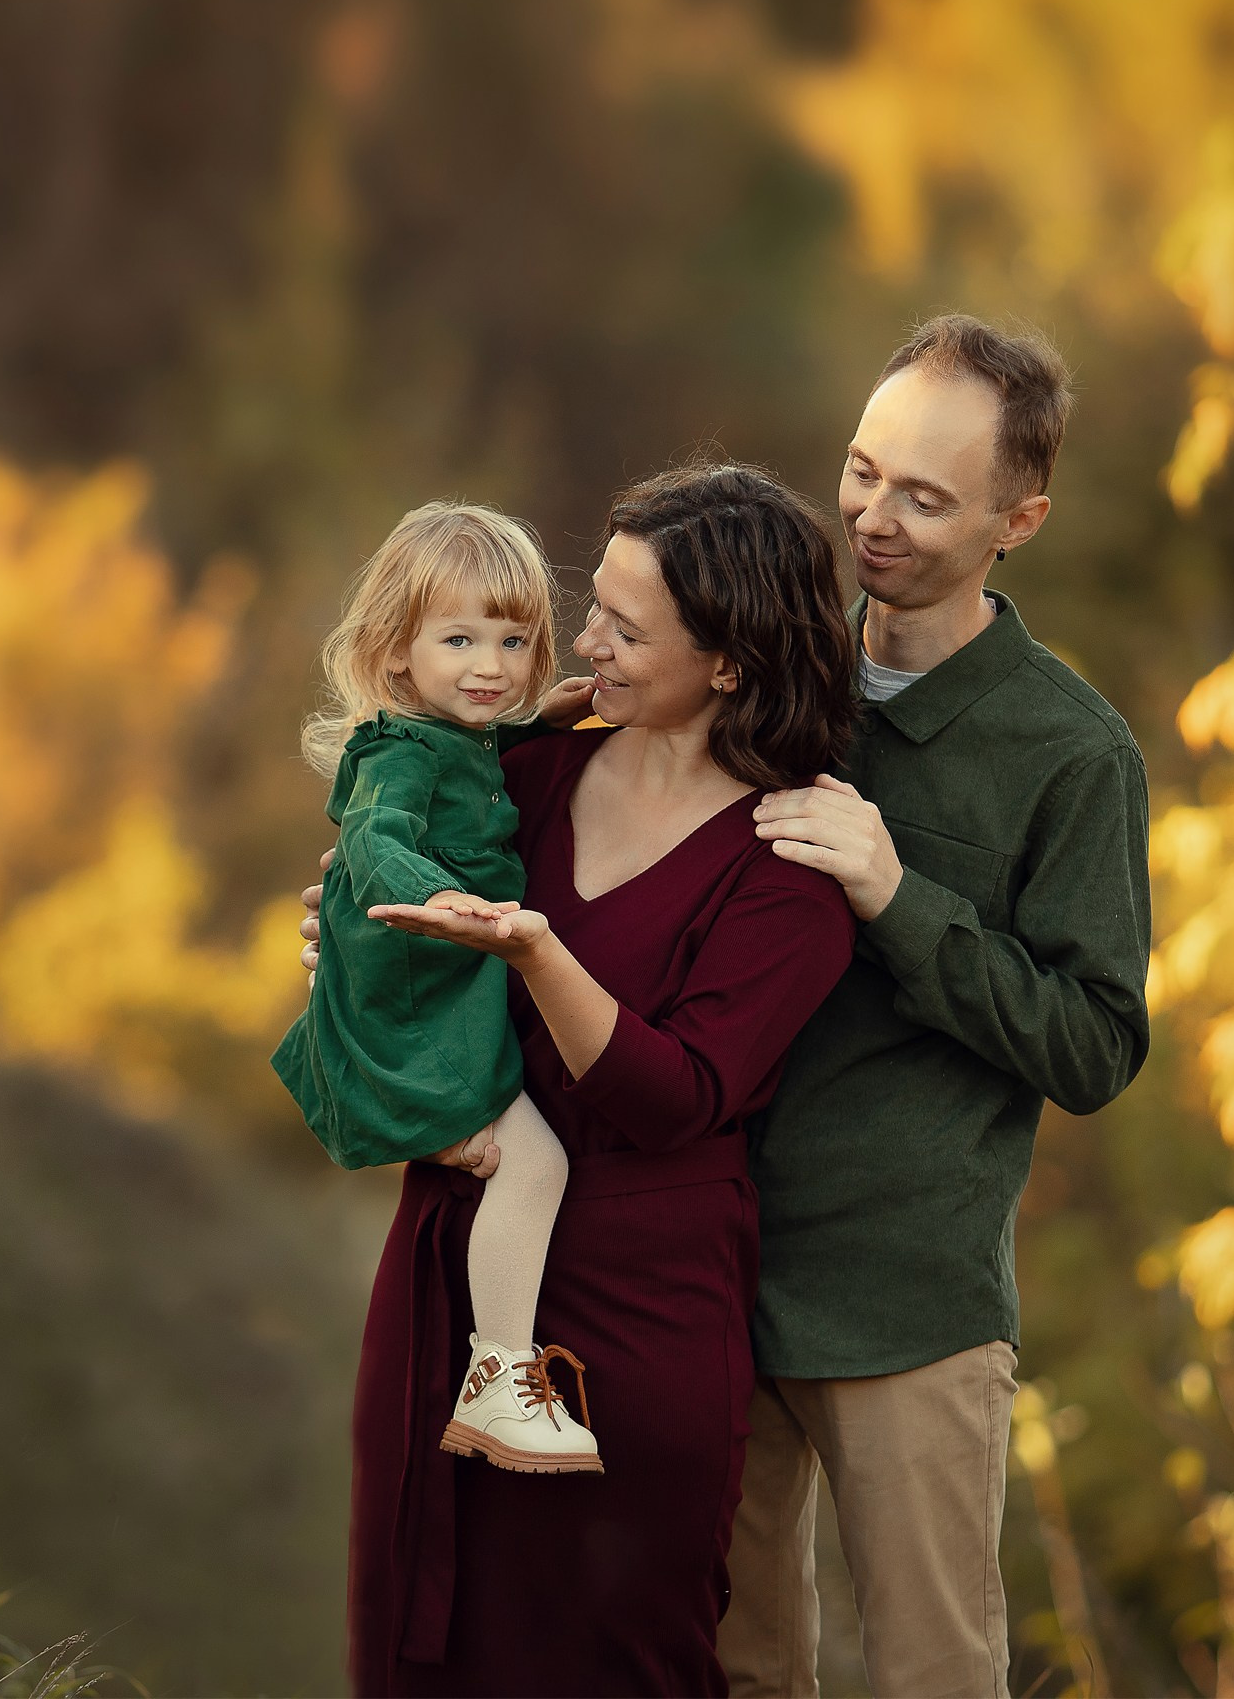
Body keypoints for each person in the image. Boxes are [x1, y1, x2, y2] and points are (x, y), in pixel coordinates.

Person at [322, 464, 861, 1696]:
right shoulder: (529, 778)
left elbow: (674, 1099)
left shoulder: (788, 863)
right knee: (426, 1650)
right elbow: (389, 920)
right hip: (449, 1275)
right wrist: (348, 942)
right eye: (596, 605)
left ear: (725, 663)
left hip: (636, 1315)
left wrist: (534, 948)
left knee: (612, 1659)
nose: (585, 643)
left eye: (626, 624)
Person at [730, 315, 1153, 1698]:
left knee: (934, 1679)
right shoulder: (754, 678)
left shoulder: (1073, 753)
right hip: (708, 1269)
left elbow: (1093, 1044)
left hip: (909, 1312)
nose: (873, 517)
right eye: (862, 472)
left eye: (925, 494)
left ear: (1019, 518)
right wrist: (395, 916)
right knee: (716, 1671)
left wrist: (898, 898)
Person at [274, 499, 601, 1474]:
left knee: (527, 1158)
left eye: (512, 639)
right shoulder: (400, 756)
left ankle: (498, 1372)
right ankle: (497, 1378)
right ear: (396, 649)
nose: (490, 665)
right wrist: (452, 902)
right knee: (533, 1164)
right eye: (458, 638)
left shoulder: (457, 738)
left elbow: (491, 746)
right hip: (412, 1012)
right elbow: (374, 844)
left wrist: (550, 712)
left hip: (432, 998)